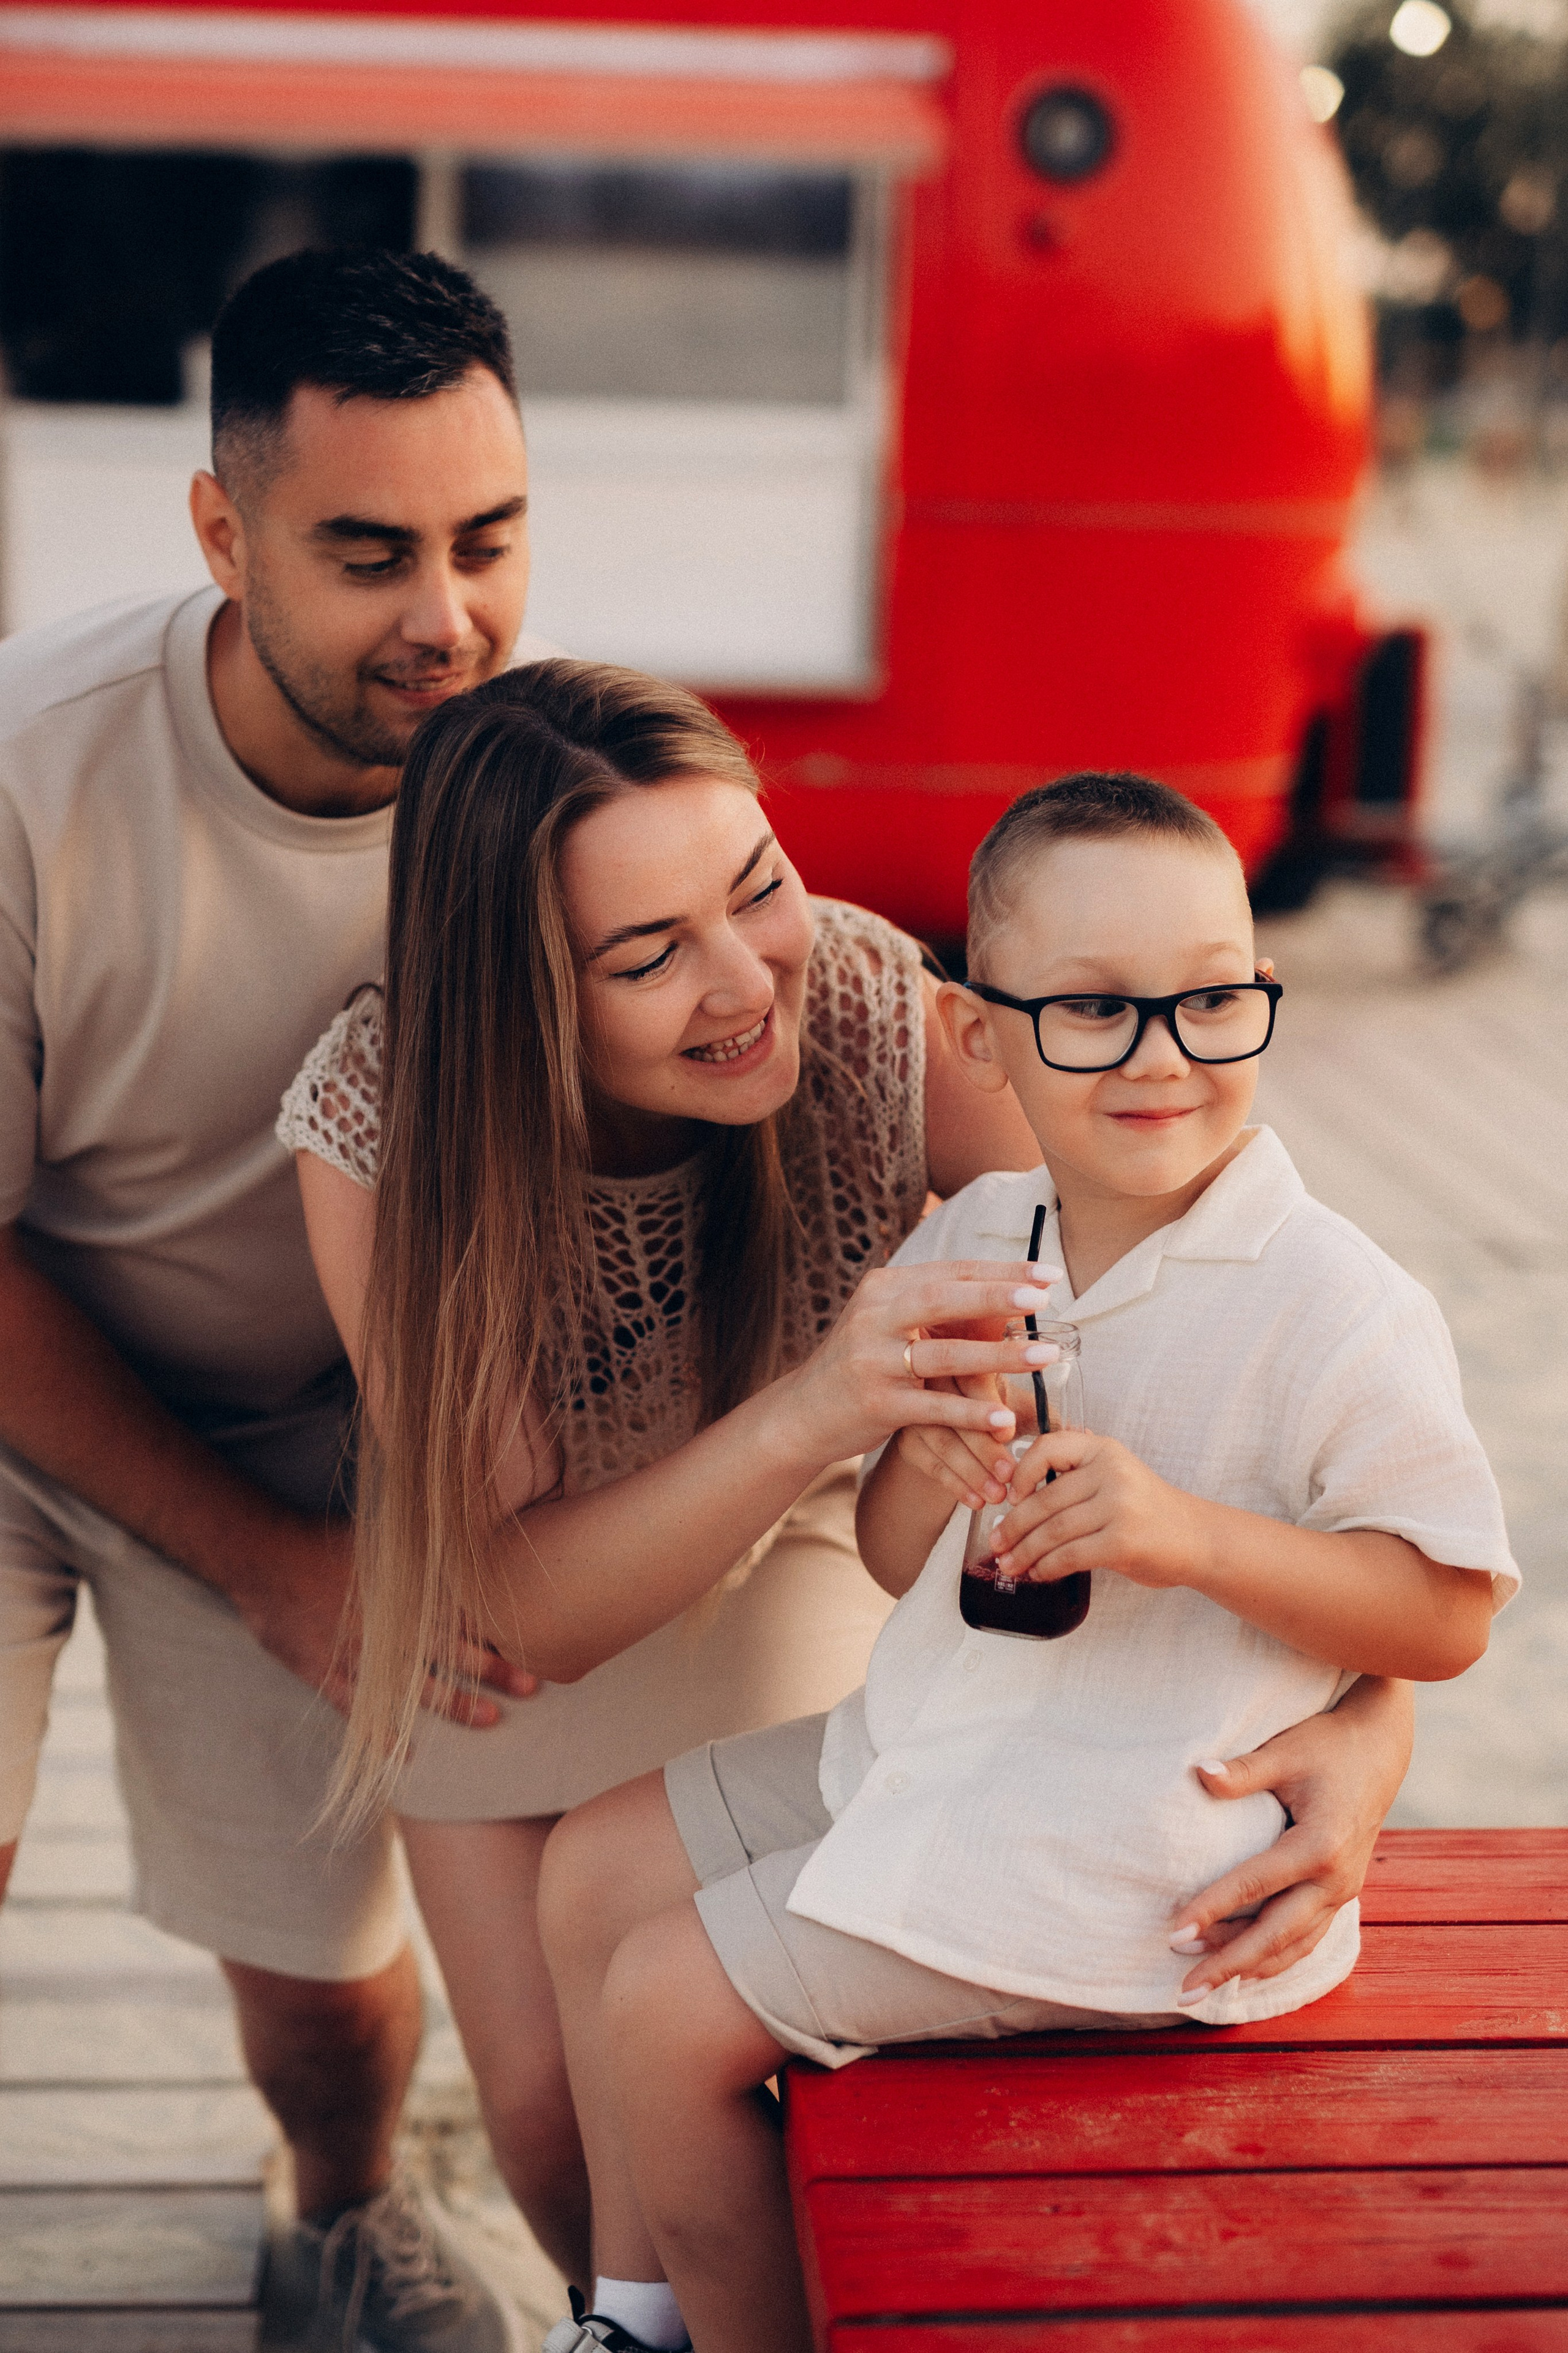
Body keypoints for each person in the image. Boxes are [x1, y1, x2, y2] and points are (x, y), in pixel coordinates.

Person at [290, 685, 1423, 2338]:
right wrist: (823, 1397)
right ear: (530, 993)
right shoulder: (389, 1109)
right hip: (514, 1605)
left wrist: (1370, 1717)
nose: (753, 978)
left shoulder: (886, 1014)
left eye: (756, 882)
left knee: (707, 2021)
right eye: (649, 952)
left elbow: (1234, 1305)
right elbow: (523, 1610)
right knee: (543, 2126)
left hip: (813, 1528)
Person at [535, 772, 1516, 2353]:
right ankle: (629, 2314)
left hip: (1137, 1853)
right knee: (592, 1866)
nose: (1162, 1055)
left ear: (1265, 996)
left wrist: (1189, 1537)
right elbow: (884, 1550)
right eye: (1094, 1011)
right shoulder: (983, 1230)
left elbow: (1451, 1610)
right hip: (951, 1747)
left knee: (668, 2003)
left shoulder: (1333, 1298)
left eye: (1211, 1000)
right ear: (980, 1039)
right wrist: (922, 1470)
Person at [0, 245, 553, 2351]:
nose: (449, 615)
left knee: (324, 1994)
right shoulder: (30, 766)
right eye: (369, 550)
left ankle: (335, 2211)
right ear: (222, 533)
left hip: (308, 1419)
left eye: (489, 539)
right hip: (23, 1367)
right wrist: (263, 1568)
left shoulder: (547, 783)